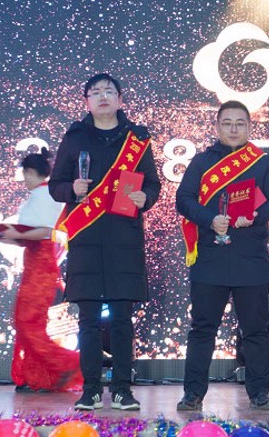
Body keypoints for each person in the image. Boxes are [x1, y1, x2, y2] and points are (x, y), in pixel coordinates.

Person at [49, 73, 161, 411]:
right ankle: (92, 390)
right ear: (87, 101)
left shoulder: (137, 139)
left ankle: (123, 389)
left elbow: (153, 184)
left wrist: (145, 198)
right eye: (95, 92)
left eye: (109, 91)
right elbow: (56, 186)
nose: (102, 97)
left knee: (123, 320)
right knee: (88, 320)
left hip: (124, 237)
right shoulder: (74, 138)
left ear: (120, 99)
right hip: (86, 239)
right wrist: (72, 190)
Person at [175, 100, 269, 411]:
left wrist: (257, 215)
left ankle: (259, 393)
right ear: (217, 127)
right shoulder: (201, 162)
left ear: (249, 127)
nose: (234, 129)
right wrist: (210, 219)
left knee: (256, 330)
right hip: (210, 257)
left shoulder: (262, 162)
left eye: (240, 123)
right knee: (202, 329)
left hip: (250, 256)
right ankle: (193, 394)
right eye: (227, 123)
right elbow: (184, 200)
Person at [0, 148, 83, 393]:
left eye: (25, 173)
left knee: (28, 322)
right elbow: (31, 235)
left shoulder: (45, 196)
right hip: (35, 263)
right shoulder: (39, 195)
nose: (24, 179)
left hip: (41, 266)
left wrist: (13, 234)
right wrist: (8, 237)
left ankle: (69, 365)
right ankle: (38, 377)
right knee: (26, 322)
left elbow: (45, 232)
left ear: (31, 172)